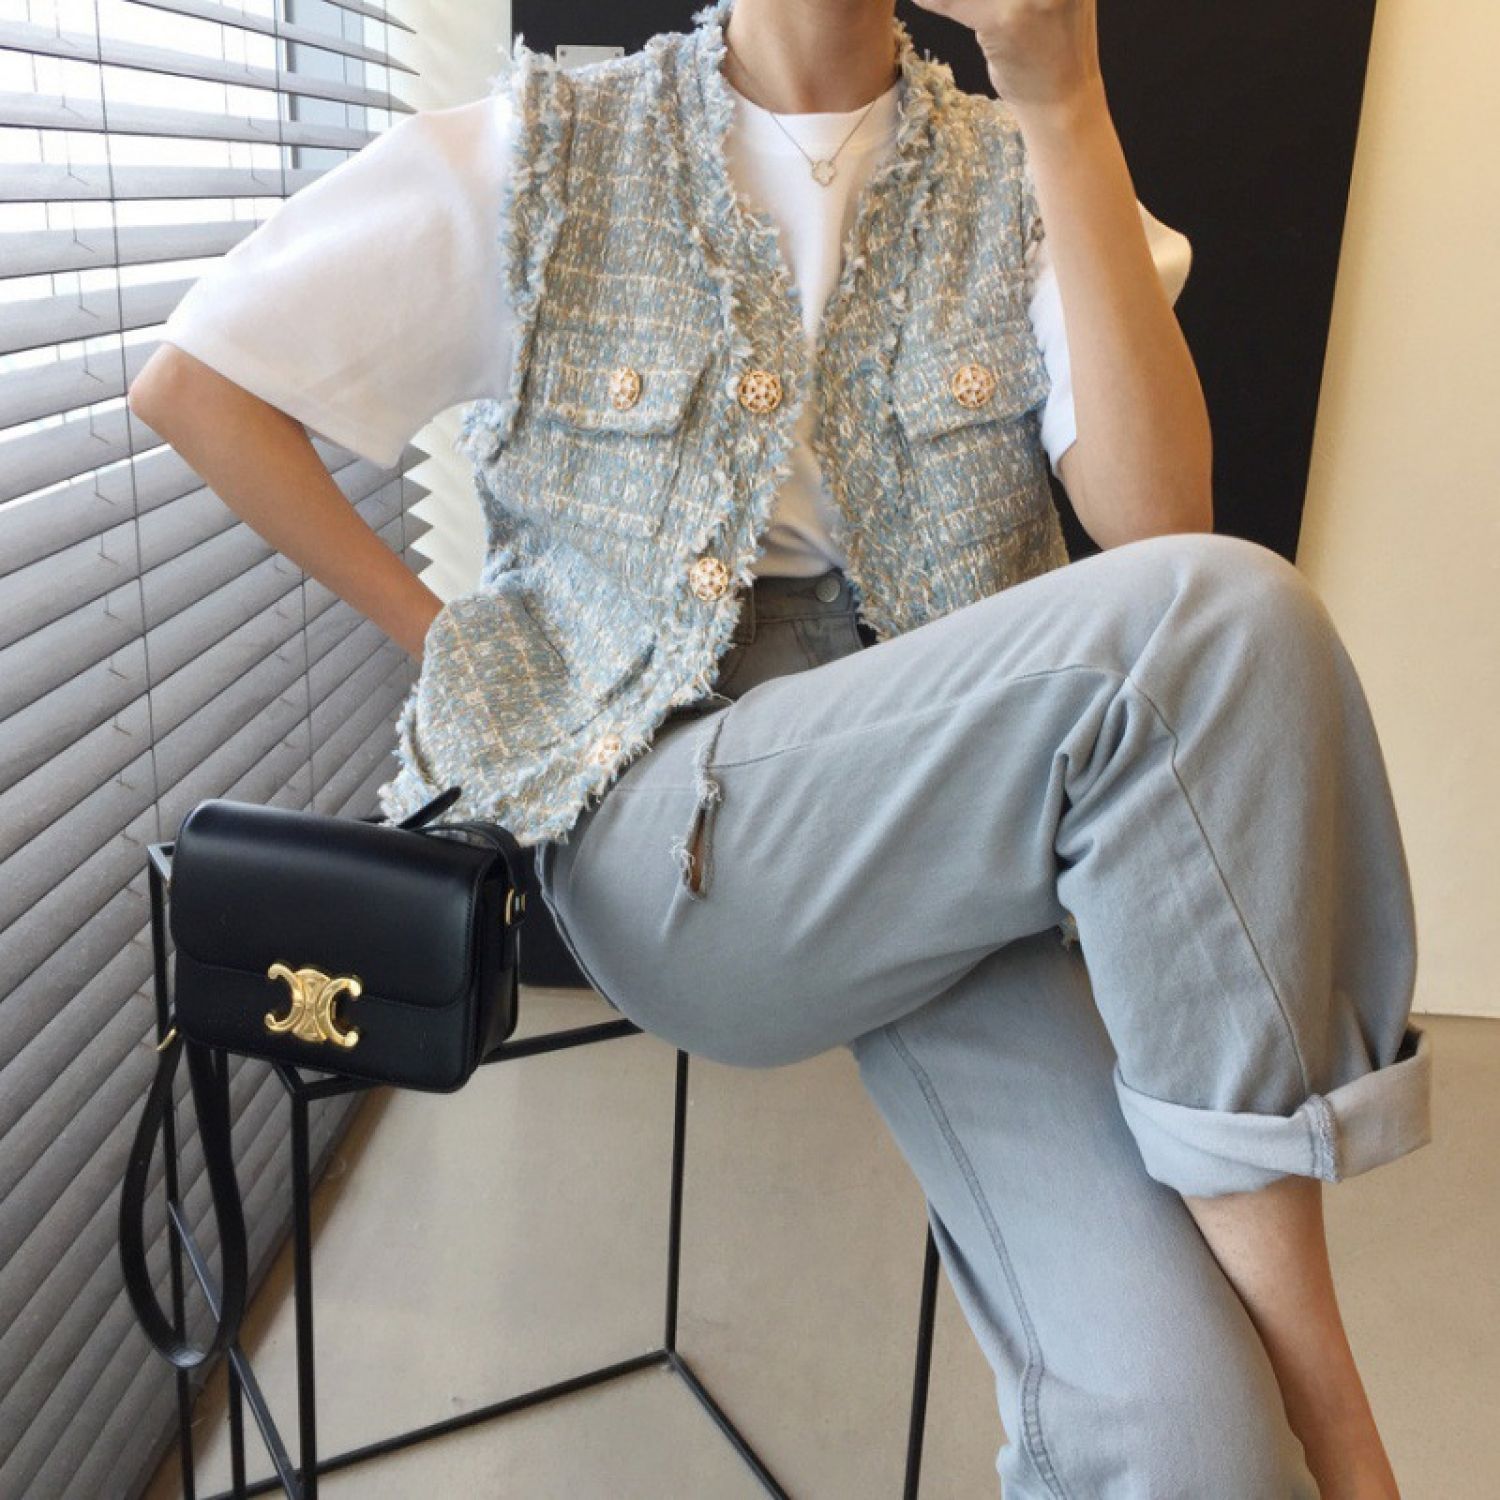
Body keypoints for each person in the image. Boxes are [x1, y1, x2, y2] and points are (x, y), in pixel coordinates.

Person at [129, 1, 1432, 1494]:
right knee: (1227, 619)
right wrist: (458, 646)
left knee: (1198, 1447)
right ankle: (1344, 1423)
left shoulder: (1022, 169)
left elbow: (1157, 527)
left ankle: (1280, 1431)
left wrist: (1064, 100)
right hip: (672, 826)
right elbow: (196, 385)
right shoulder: (550, 151)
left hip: (960, 821)